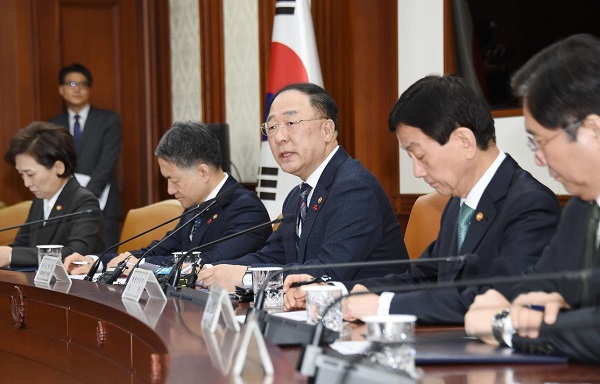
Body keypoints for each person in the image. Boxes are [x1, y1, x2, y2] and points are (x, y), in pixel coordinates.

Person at [284, 75, 561, 324]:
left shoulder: (531, 206)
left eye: (420, 155)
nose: (417, 171)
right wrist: (341, 292)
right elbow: (423, 275)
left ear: (464, 141)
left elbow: (496, 298)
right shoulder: (458, 203)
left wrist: (382, 305)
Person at [464, 34, 600, 363]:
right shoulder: (583, 208)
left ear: (592, 131)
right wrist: (497, 297)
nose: (538, 159)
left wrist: (505, 324)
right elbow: (542, 281)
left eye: (539, 141)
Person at [197, 83, 409, 292]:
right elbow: (271, 256)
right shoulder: (297, 196)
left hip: (367, 319)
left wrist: (246, 278)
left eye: (291, 122)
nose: (279, 137)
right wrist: (213, 271)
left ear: (327, 130)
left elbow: (328, 273)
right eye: (271, 127)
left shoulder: (354, 188)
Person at [64, 121, 271, 276]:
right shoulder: (195, 205)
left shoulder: (246, 209)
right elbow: (158, 250)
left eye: (174, 180)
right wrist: (96, 261)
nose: (170, 190)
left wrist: (138, 265)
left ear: (203, 173)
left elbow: (212, 260)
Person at [0, 122, 104, 268]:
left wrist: (11, 255)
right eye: (21, 175)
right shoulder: (40, 200)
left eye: (30, 174)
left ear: (58, 167)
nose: (26, 183)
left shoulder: (85, 202)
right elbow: (20, 246)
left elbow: (75, 254)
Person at [49, 63, 123, 246]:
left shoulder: (109, 120)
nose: (78, 89)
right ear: (61, 89)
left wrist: (85, 197)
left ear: (89, 89)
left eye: (83, 84)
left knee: (105, 261)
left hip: (102, 204)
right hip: (65, 207)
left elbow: (108, 161)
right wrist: (70, 200)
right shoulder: (52, 125)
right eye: (72, 84)